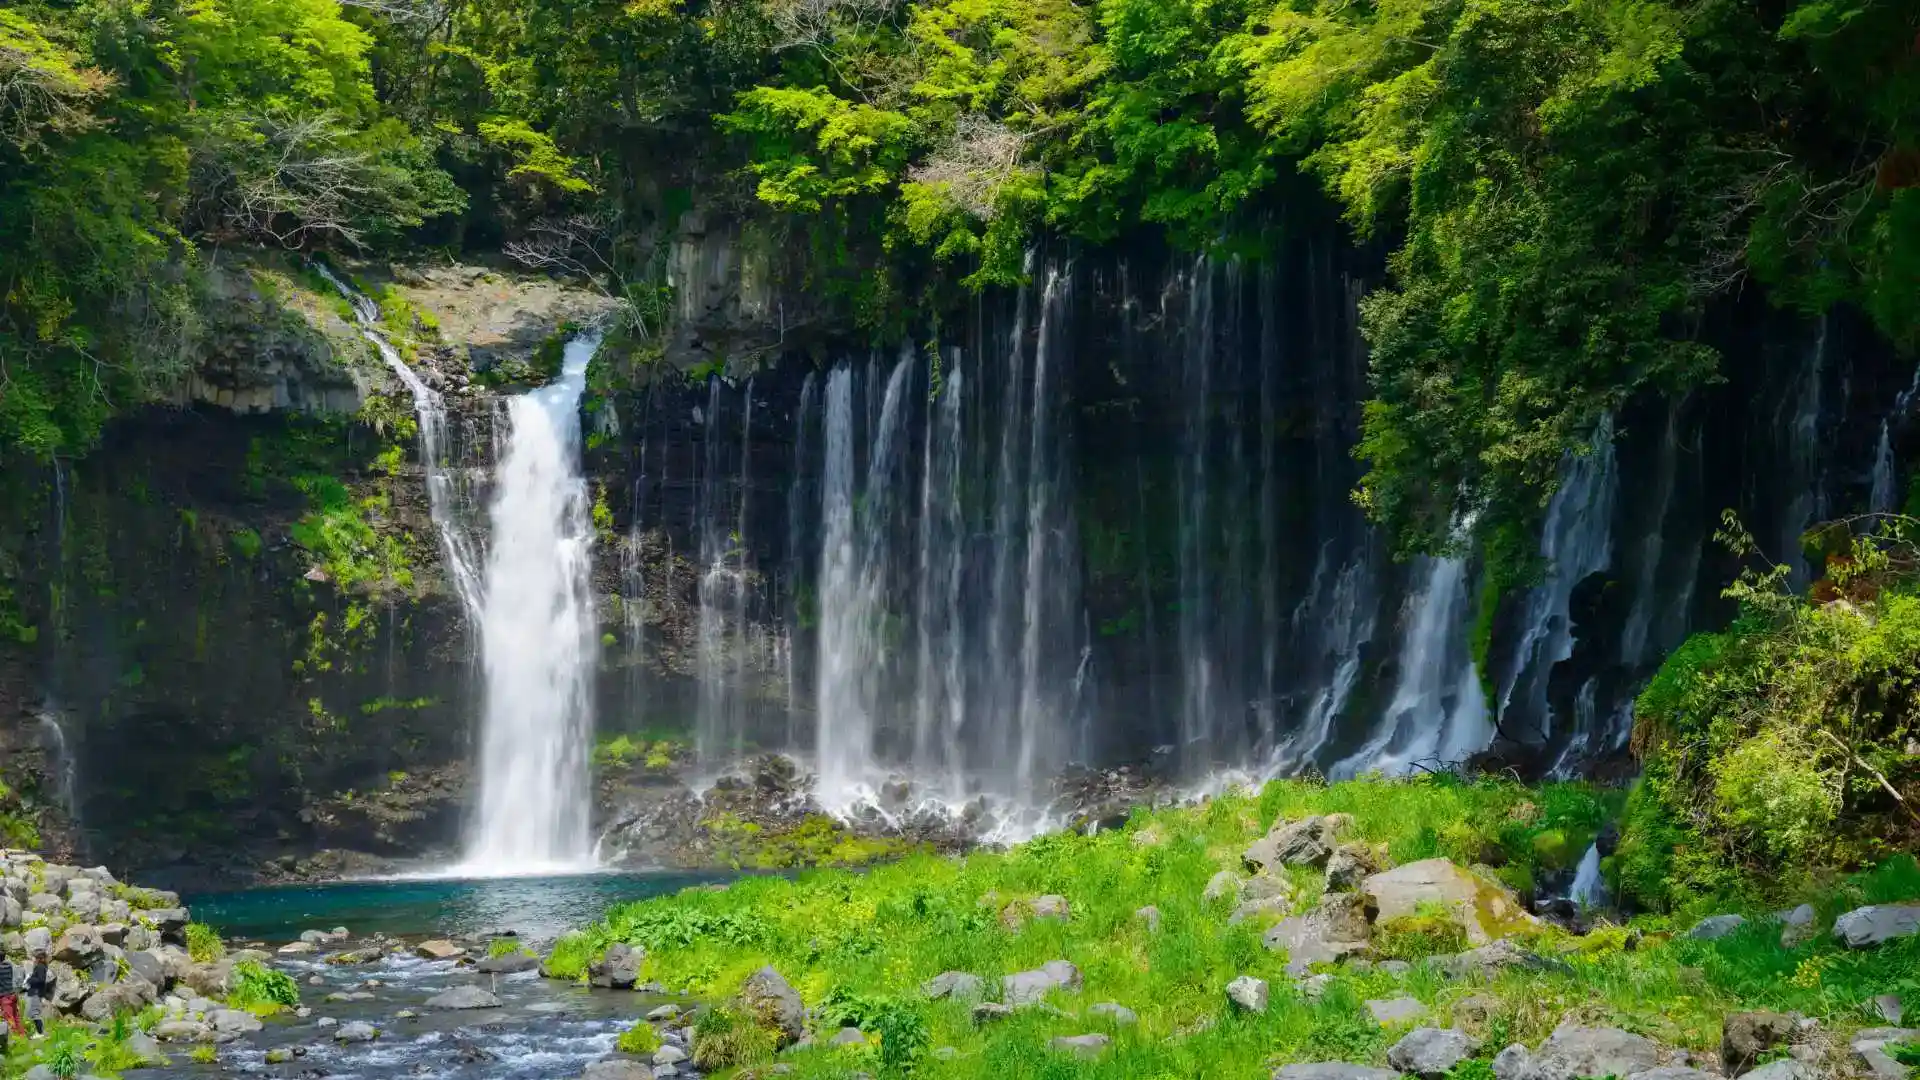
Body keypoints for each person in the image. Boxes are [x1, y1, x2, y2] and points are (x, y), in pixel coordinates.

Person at [23, 950, 50, 1039]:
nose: (34, 960)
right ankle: (40, 1031)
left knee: (34, 1012)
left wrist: (30, 980)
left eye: (35, 958)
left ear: (39, 959)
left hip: (36, 992)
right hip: (36, 991)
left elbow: (41, 980)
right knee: (34, 1012)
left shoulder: (40, 967)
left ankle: (40, 1032)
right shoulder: (42, 966)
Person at [0, 955, 19, 1050]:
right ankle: (22, 1037)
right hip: (13, 994)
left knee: (9, 1019)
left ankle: (14, 1039)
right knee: (16, 1018)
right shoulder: (8, 966)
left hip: (5, 997)